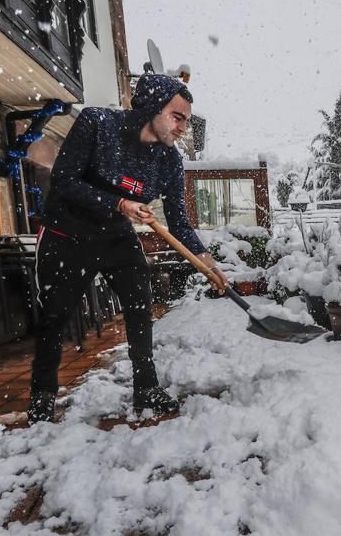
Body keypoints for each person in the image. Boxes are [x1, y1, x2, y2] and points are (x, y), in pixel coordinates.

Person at [27, 74, 228, 424]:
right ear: (153, 108)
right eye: (177, 117)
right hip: (65, 233)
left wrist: (208, 264)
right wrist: (119, 203)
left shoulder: (168, 162)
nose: (183, 127)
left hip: (114, 236)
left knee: (140, 303)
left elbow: (180, 224)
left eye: (186, 120)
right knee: (54, 316)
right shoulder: (98, 123)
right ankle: (42, 396)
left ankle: (146, 386)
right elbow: (63, 179)